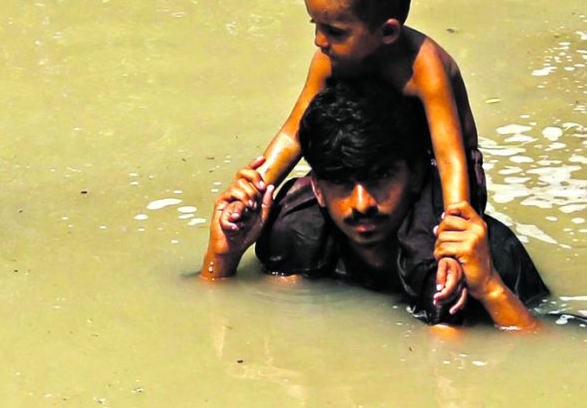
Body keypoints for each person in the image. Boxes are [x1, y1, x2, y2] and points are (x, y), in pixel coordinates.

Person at [228, 0, 490, 315]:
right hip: (364, 168)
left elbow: (450, 156)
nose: (320, 41)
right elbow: (294, 132)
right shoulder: (329, 59)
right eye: (315, 27)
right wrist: (256, 186)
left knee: (429, 261)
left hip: (434, 175)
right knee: (287, 221)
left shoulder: (424, 67)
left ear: (387, 33)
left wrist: (455, 227)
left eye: (334, 31)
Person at [201, 85, 547, 332]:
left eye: (380, 177)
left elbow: (550, 356)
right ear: (318, 190)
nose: (362, 203)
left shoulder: (481, 253)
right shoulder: (297, 231)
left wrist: (489, 287)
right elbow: (216, 315)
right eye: (341, 182)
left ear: (415, 176)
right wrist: (224, 256)